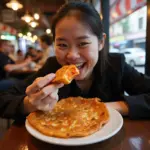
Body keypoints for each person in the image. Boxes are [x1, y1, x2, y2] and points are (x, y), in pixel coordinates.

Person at [0, 2, 150, 120]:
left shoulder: (116, 64)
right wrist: (28, 104)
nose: (72, 56)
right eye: (62, 45)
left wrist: (110, 107)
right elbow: (4, 98)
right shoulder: (52, 67)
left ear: (101, 42)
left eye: (83, 43)